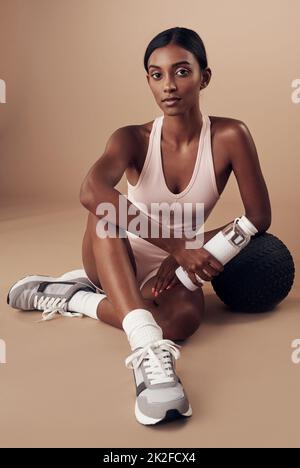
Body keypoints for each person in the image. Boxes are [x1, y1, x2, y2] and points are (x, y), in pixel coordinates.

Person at [7, 27, 271, 425]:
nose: (169, 85)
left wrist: (188, 253)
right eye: (156, 74)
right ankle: (147, 354)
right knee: (104, 210)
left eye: (182, 72)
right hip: (113, 254)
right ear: (148, 80)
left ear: (205, 77)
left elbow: (257, 217)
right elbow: (90, 191)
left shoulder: (231, 135)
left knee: (180, 324)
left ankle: (73, 297)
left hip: (172, 268)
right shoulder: (132, 138)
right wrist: (177, 245)